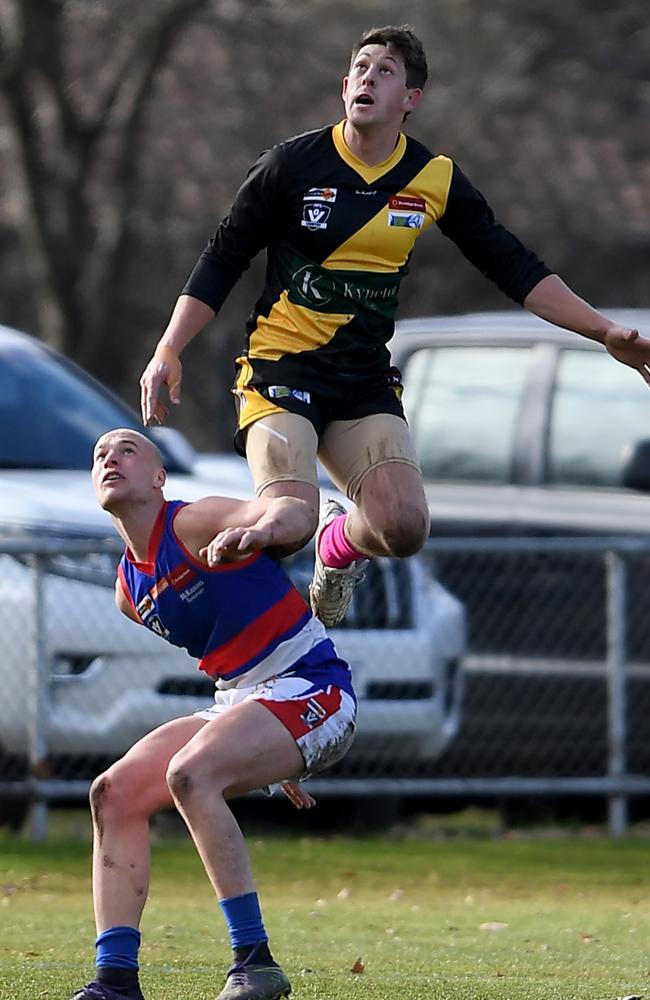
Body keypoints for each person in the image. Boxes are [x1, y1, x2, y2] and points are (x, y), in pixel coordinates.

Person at [139, 23, 650, 628]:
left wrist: (602, 331)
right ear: (344, 87)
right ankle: (189, 544)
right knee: (286, 524)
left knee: (403, 528)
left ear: (411, 99)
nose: (367, 78)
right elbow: (223, 256)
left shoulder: (433, 179)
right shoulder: (290, 165)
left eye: (385, 71)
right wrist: (169, 348)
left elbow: (513, 266)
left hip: (361, 379)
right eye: (359, 67)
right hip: (281, 368)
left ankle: (339, 545)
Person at [73, 427, 357, 1000]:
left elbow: (286, 510)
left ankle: (254, 961)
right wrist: (260, 750)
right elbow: (235, 668)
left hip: (313, 687)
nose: (111, 458)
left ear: (158, 477)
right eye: (101, 454)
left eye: (129, 449)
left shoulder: (194, 523)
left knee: (190, 773)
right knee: (114, 792)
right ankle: (115, 980)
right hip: (245, 699)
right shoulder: (129, 591)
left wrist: (261, 530)